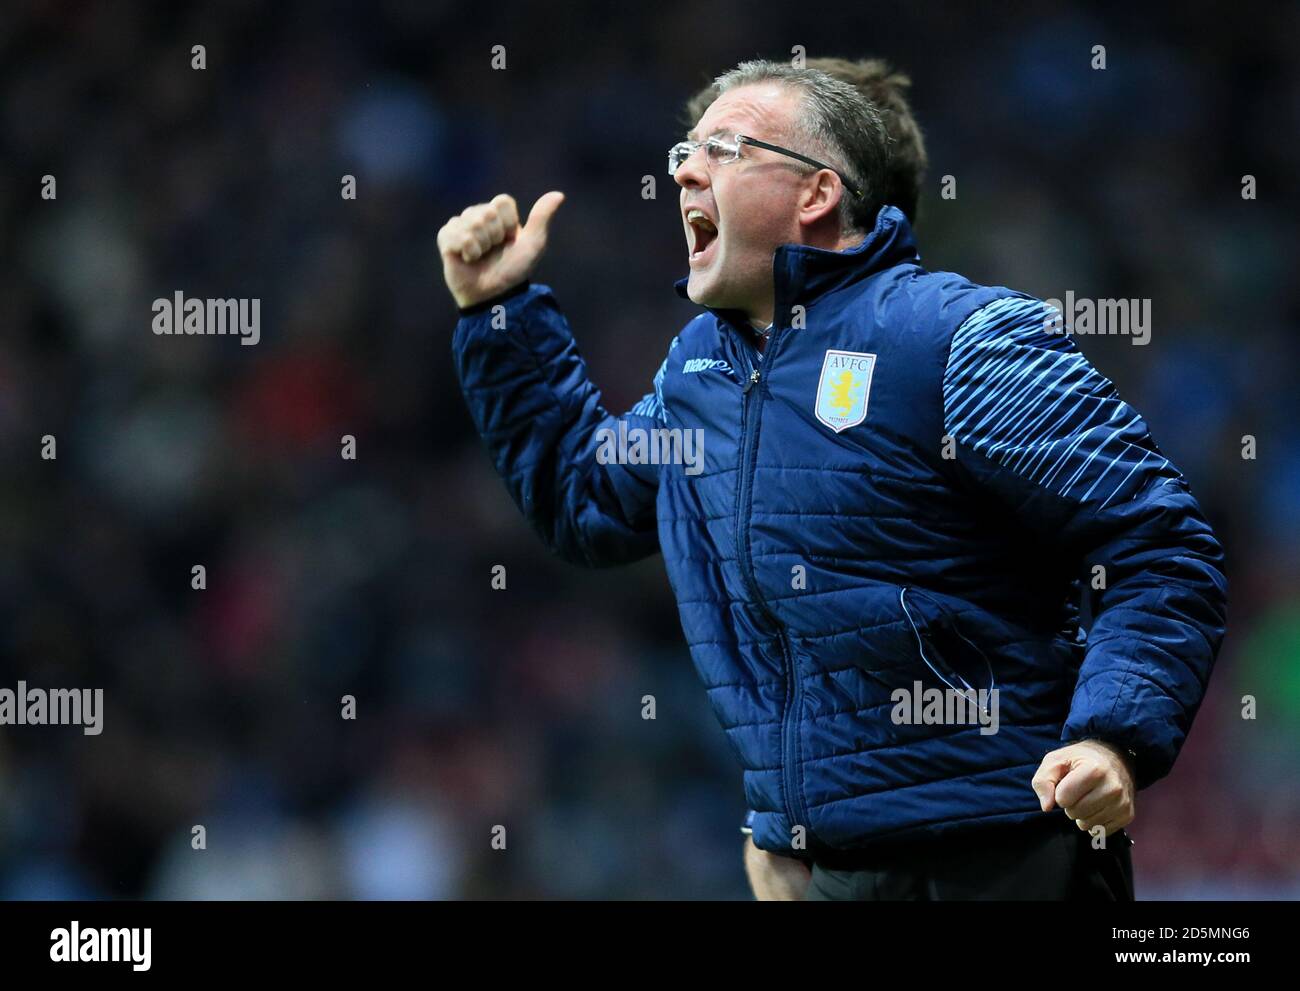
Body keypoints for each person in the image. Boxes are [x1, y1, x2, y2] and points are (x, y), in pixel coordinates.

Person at [437, 59, 1227, 900]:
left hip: (1004, 854)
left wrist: (1113, 739)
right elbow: (582, 499)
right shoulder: (698, 374)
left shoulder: (958, 338)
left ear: (817, 193)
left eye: (724, 148)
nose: (684, 170)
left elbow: (1157, 543)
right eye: (682, 152)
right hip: (831, 875)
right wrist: (500, 311)